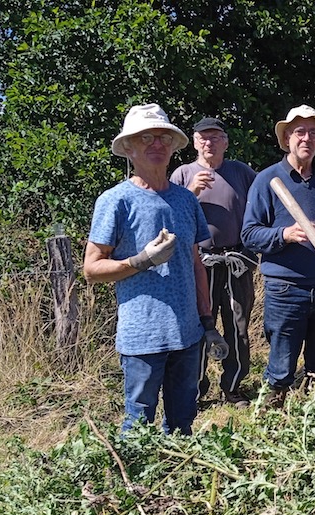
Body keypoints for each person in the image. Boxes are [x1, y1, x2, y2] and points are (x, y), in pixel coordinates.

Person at [83, 103, 227, 435]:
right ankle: (132, 483)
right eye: (146, 137)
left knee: (183, 422)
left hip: (188, 335)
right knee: (138, 426)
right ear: (129, 148)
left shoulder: (186, 200)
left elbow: (195, 264)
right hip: (142, 338)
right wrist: (141, 260)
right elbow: (91, 269)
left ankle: (174, 481)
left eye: (163, 137)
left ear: (174, 146)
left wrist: (206, 321)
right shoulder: (115, 201)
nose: (156, 144)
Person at [241, 104, 315, 408]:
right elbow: (249, 234)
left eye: (313, 133)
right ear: (287, 137)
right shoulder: (268, 180)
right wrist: (284, 235)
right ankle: (271, 423)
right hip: (284, 290)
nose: (307, 138)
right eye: (300, 132)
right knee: (281, 368)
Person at [170, 117, 257, 408]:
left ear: (226, 142)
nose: (209, 142)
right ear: (194, 142)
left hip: (236, 261)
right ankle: (194, 391)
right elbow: (168, 217)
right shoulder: (182, 175)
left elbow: (262, 205)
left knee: (238, 325)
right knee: (197, 327)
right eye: (203, 137)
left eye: (215, 137)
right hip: (199, 264)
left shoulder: (241, 172)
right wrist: (190, 193)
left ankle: (233, 386)